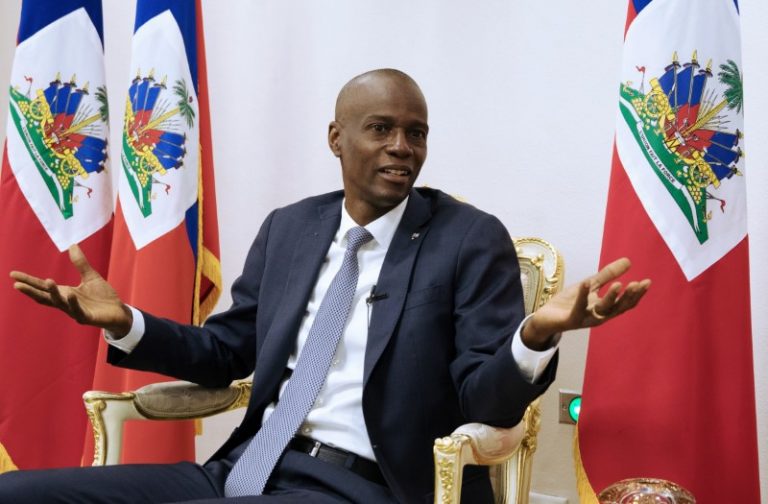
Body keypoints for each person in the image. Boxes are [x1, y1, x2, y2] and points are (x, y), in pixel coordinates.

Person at [1, 69, 650, 503]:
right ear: (337, 139)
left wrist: (533, 336)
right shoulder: (292, 228)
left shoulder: (467, 239)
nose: (402, 147)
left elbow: (486, 399)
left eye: (415, 133)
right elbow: (227, 351)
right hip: (244, 469)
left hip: (368, 486)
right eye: (381, 129)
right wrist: (125, 323)